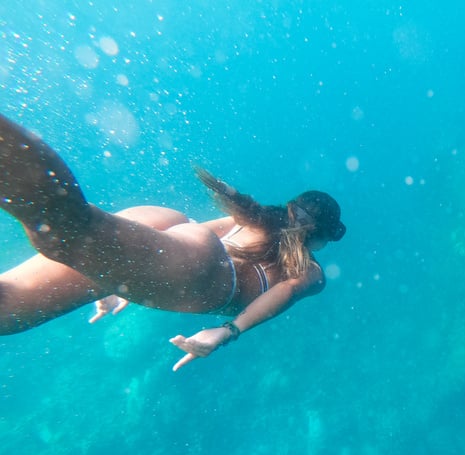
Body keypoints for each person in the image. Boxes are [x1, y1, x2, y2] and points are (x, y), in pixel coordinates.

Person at [0, 113, 345, 371]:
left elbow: (194, 235)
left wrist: (118, 283)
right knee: (64, 227)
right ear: (324, 236)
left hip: (172, 229)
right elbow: (286, 292)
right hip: (198, 270)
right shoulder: (311, 270)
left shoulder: (253, 221)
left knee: (10, 305)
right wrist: (228, 330)